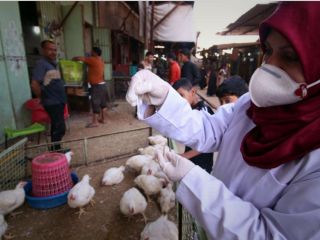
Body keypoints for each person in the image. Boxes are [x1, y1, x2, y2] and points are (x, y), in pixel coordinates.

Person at [126, 2, 320, 239]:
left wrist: (194, 181)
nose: (269, 65)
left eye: (289, 56)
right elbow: (210, 129)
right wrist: (164, 97)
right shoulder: (252, 104)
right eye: (268, 50)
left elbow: (274, 235)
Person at [31, 40, 66, 151]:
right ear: (43, 50)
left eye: (54, 50)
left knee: (59, 127)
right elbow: (34, 84)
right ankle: (56, 151)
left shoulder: (53, 64)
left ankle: (56, 149)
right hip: (52, 101)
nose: (53, 52)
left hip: (59, 100)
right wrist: (42, 96)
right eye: (50, 49)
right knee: (58, 127)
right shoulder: (41, 64)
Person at [172, 78, 214, 173]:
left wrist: (183, 156)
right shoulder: (189, 109)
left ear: (193, 92)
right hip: (191, 161)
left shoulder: (204, 112)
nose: (179, 101)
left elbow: (208, 143)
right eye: (176, 97)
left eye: (182, 95)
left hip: (202, 165)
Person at [73, 47, 106, 128]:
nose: (90, 52)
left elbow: (79, 58)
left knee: (95, 103)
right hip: (102, 84)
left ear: (94, 53)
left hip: (97, 85)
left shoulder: (93, 59)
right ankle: (102, 119)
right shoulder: (101, 60)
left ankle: (95, 122)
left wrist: (73, 58)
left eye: (91, 51)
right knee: (102, 103)